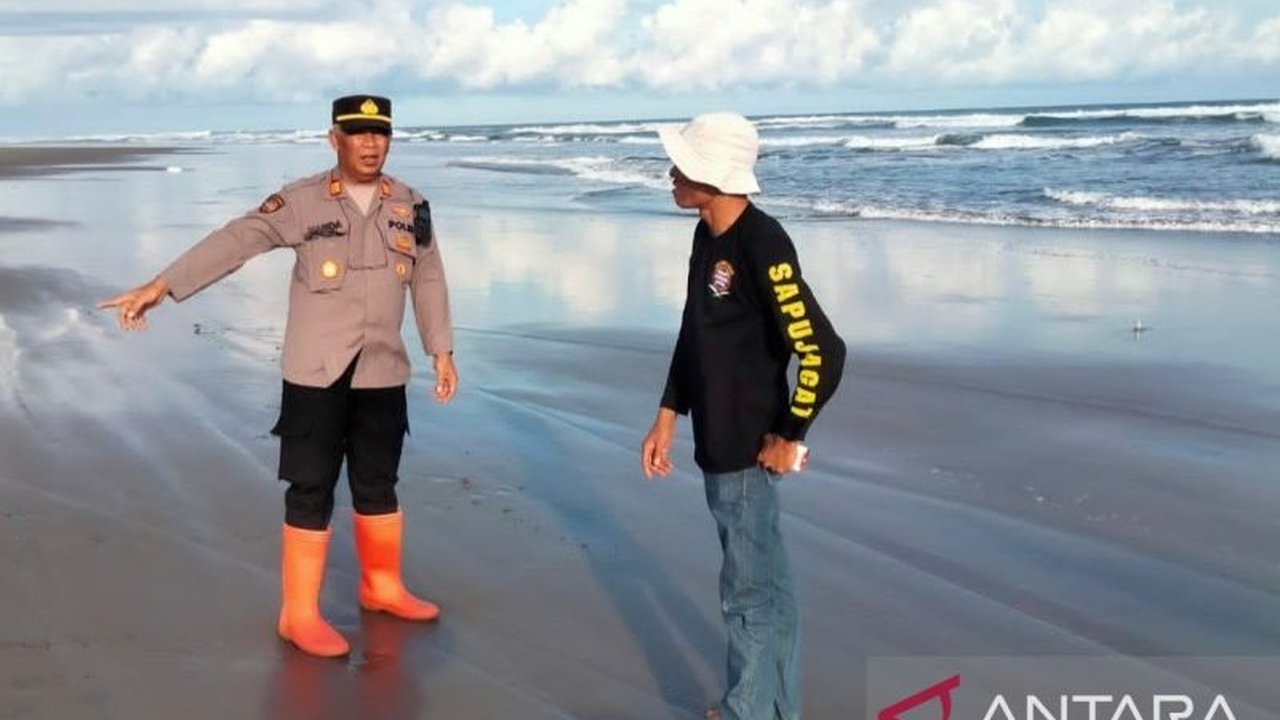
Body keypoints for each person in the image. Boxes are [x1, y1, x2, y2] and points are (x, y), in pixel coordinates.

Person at [98, 95, 457, 659]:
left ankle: (381, 586)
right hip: (316, 372)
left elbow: (429, 278)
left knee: (379, 483)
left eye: (379, 134)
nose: (370, 144)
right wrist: (161, 286)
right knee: (311, 487)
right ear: (333, 138)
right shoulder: (301, 201)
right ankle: (299, 614)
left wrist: (441, 349)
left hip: (383, 370)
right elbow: (236, 241)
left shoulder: (410, 205)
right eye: (357, 133)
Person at [640, 112, 846, 720]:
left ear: (714, 175)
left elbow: (823, 351)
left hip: (746, 448)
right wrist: (667, 414)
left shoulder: (763, 243)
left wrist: (790, 433)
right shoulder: (707, 235)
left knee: (749, 595)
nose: (672, 173)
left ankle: (747, 711)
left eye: (683, 165)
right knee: (765, 590)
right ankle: (771, 707)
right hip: (714, 436)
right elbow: (694, 330)